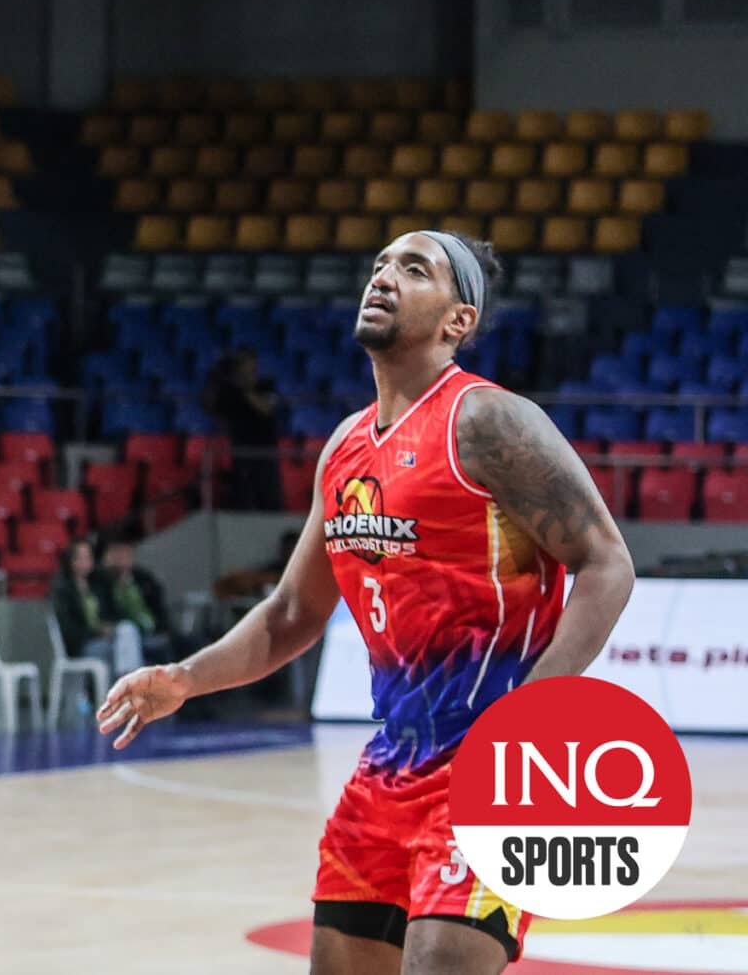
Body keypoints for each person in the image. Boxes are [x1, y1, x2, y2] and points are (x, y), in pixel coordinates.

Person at [101, 232, 637, 972]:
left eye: (414, 269)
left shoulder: (487, 421)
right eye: (380, 265)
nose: (384, 277)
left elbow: (608, 562)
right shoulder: (347, 445)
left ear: (459, 319)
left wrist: (530, 723)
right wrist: (188, 677)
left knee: (438, 959)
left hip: (490, 767)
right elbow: (293, 611)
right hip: (388, 767)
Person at [51, 538, 140, 684]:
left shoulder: (99, 584)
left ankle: (130, 683)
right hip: (81, 643)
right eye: (81, 557)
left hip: (106, 637)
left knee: (127, 630)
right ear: (70, 561)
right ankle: (120, 690)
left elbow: (116, 612)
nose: (86, 562)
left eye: (88, 557)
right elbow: (69, 629)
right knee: (112, 650)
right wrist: (98, 633)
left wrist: (111, 627)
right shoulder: (63, 589)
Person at [205, 347, 282, 511]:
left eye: (248, 365)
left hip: (265, 454)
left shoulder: (266, 385)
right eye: (240, 366)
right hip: (241, 454)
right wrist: (215, 380)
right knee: (244, 501)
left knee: (268, 499)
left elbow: (266, 408)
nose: (245, 370)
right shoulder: (230, 392)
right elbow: (209, 406)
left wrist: (245, 389)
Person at [94, 535, 172, 662]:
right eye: (118, 553)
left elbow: (159, 605)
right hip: (132, 633)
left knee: (190, 642)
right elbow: (108, 614)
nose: (124, 556)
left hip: (155, 628)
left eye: (127, 552)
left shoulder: (143, 577)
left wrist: (165, 628)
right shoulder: (103, 582)